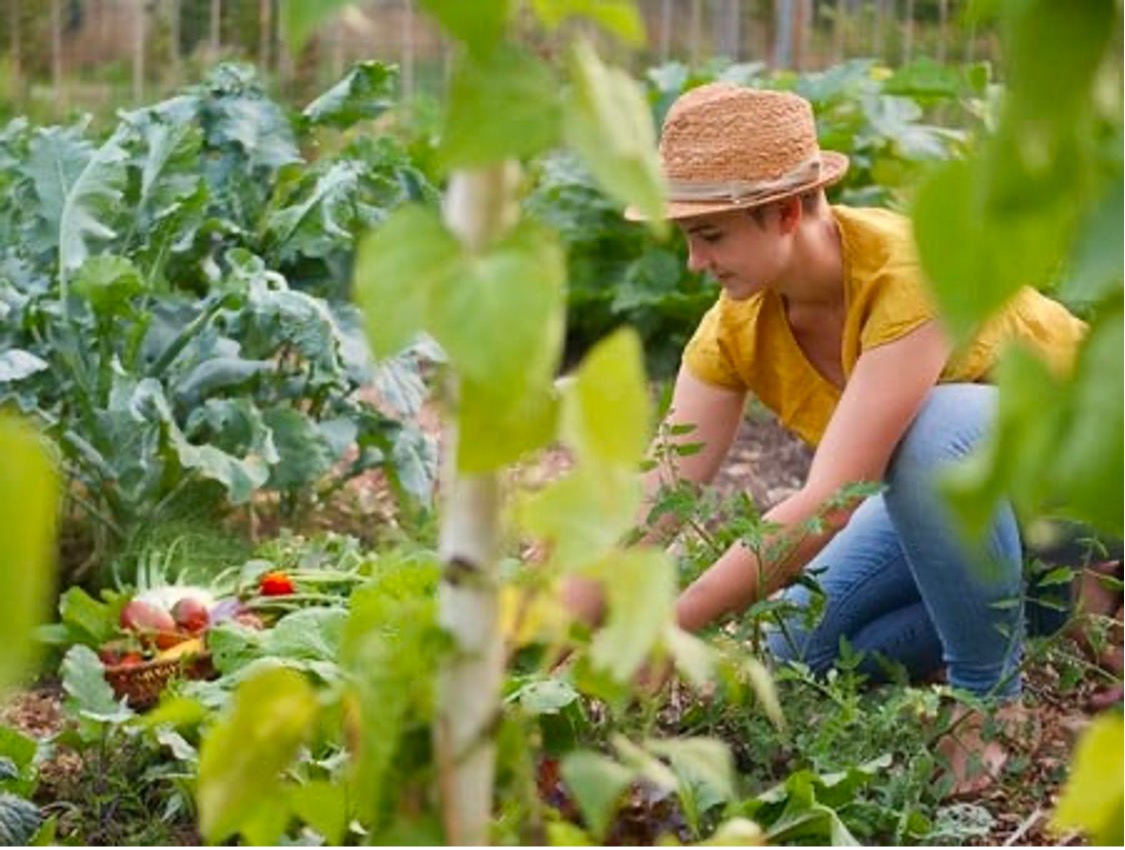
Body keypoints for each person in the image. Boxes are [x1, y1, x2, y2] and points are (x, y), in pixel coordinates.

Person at [562, 82, 1114, 794]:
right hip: (967, 510)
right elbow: (659, 495)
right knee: (791, 651)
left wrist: (670, 626)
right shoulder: (733, 328)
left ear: (786, 212)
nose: (695, 263)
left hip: (1089, 478)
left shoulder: (909, 272)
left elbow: (830, 500)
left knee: (928, 430)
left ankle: (987, 702)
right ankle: (1053, 606)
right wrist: (542, 636)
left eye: (709, 236)